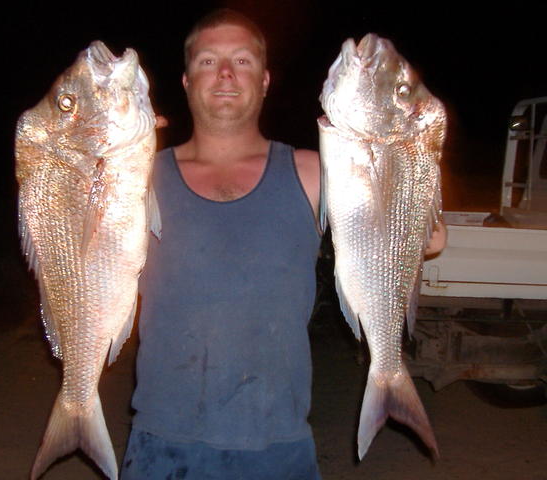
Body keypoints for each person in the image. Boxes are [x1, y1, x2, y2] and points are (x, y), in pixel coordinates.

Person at [121, 9, 446, 479]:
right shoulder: (138, 179)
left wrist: (412, 162)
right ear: (187, 81)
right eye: (209, 61)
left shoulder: (313, 171)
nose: (227, 73)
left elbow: (425, 237)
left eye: (243, 61)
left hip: (279, 441)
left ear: (266, 79)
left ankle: (389, 381)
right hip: (161, 440)